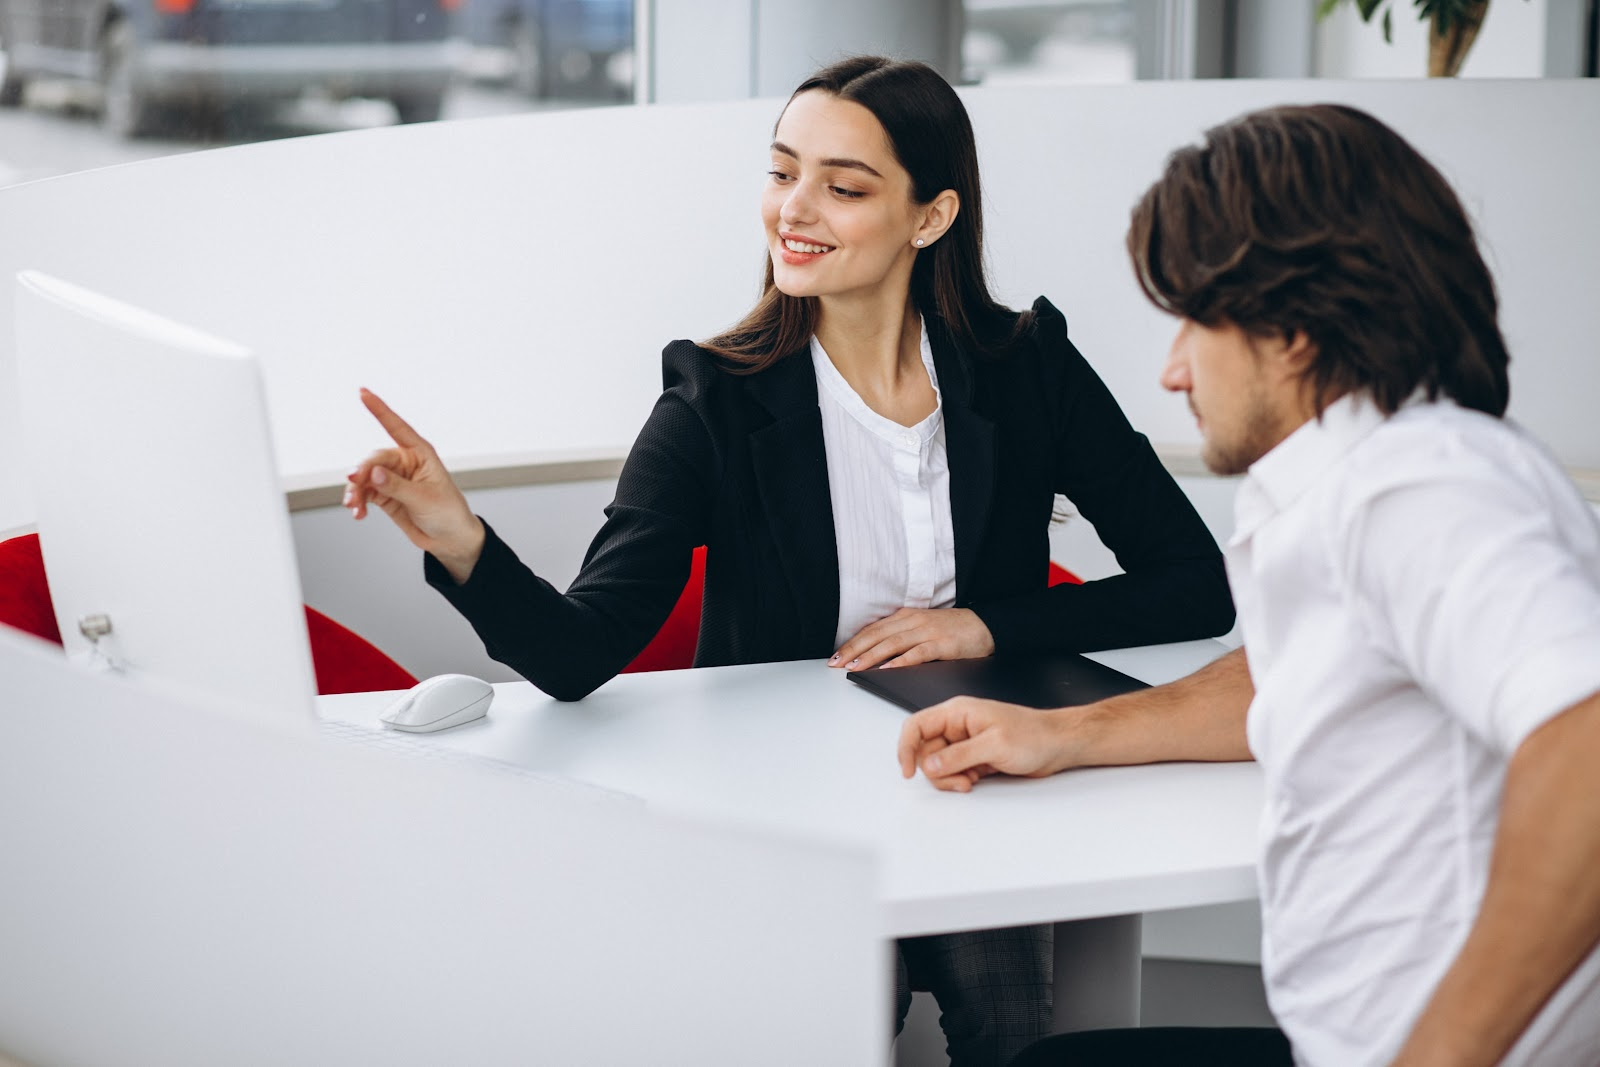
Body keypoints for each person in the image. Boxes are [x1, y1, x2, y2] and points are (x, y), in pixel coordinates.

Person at [346, 56, 1234, 1066]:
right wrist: (458, 537)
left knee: (1014, 1029)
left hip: (968, 787)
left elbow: (1192, 582)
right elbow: (577, 651)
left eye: (843, 188)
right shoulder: (714, 400)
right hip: (790, 816)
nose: (793, 211)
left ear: (929, 217)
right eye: (781, 173)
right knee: (823, 1025)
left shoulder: (1026, 366)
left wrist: (989, 625)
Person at [898, 103, 1600, 1067]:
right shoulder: (1360, 480)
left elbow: (1588, 748)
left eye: (1195, 320)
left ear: (1296, 328)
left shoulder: (1421, 490)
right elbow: (1289, 672)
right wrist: (1059, 733)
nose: (1174, 369)